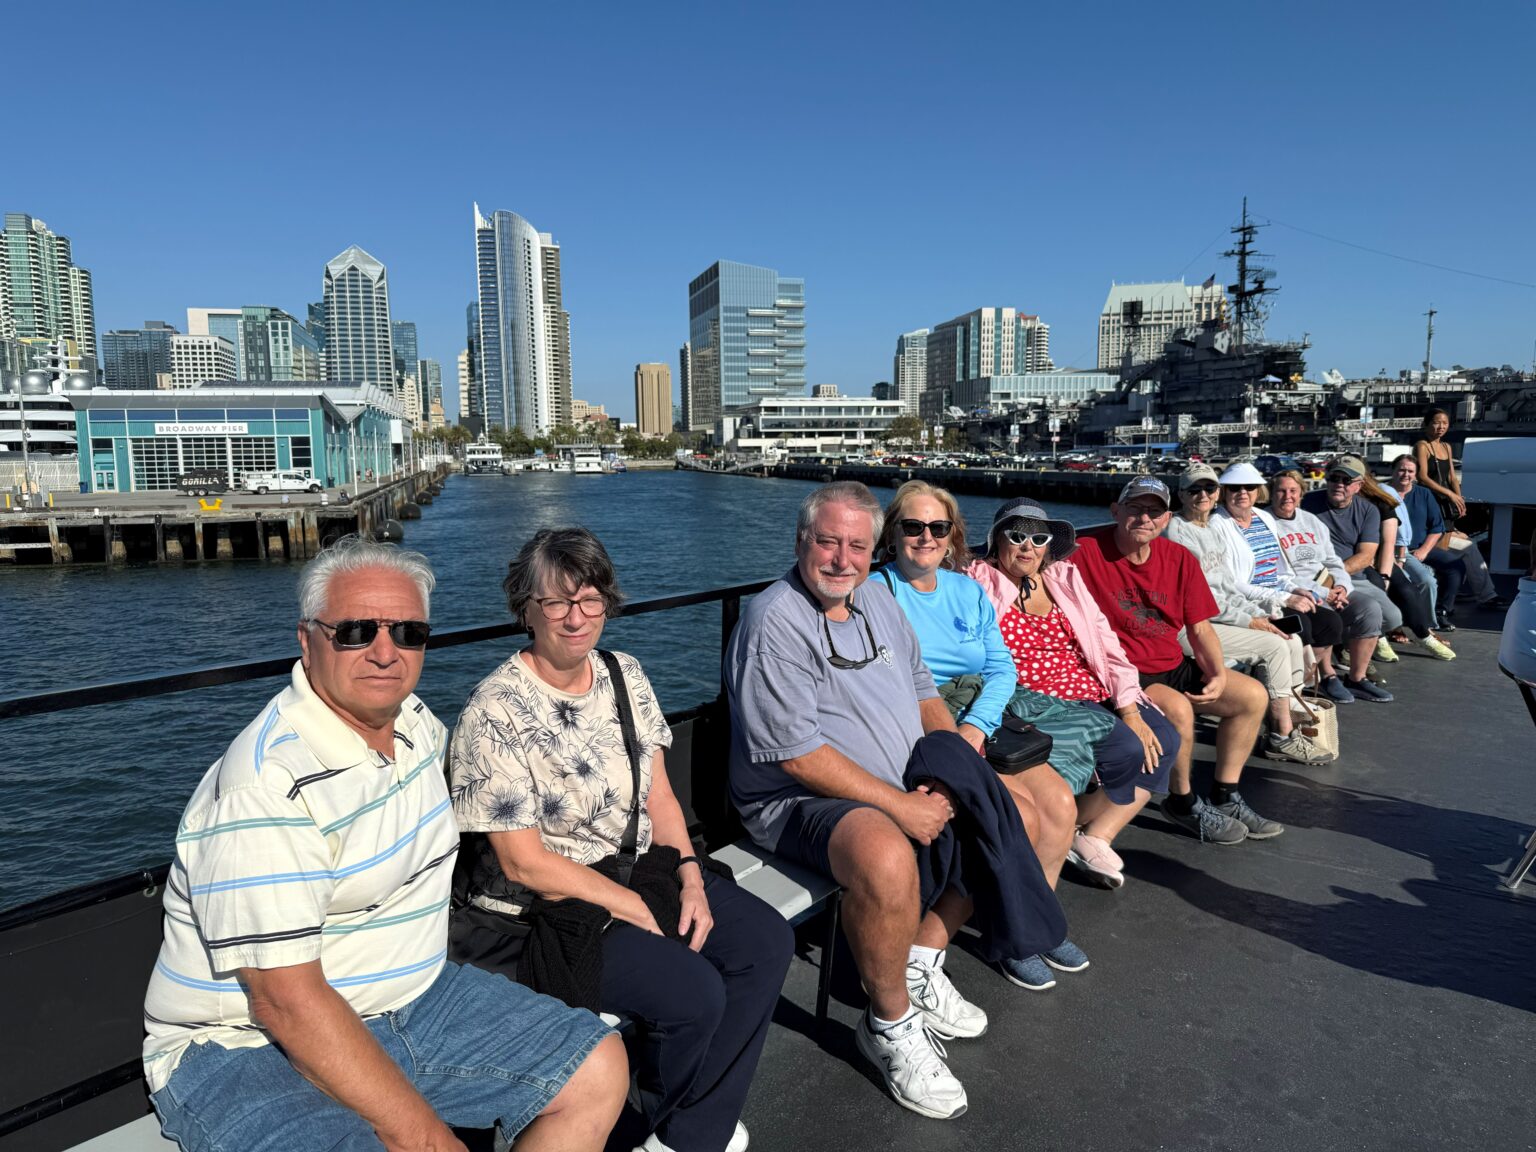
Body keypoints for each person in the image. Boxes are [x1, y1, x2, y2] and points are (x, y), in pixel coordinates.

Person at [142, 536, 627, 1152]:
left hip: (410, 1000)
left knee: (596, 1068)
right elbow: (285, 1003)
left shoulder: (415, 724)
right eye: (355, 632)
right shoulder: (266, 787)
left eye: (407, 633)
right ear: (307, 640)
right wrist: (429, 1138)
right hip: (245, 1043)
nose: (384, 652)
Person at [724, 482, 1068, 1120]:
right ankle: (888, 1023)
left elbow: (923, 691)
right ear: (801, 542)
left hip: (895, 778)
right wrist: (901, 806)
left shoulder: (877, 600)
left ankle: (921, 957)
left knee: (1010, 811)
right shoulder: (776, 620)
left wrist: (948, 769)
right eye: (827, 542)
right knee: (884, 853)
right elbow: (798, 757)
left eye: (857, 545)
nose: (842, 559)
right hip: (796, 799)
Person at [448, 528, 791, 1152]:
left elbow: (660, 797)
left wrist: (690, 875)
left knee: (764, 942)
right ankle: (678, 1124)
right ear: (525, 608)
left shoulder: (622, 673)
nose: (576, 617)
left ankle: (687, 1133)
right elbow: (522, 864)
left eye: (590, 599)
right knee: (694, 993)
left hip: (638, 871)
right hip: (551, 910)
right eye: (557, 601)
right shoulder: (493, 711)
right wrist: (628, 904)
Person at [874, 482, 1089, 979]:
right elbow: (897, 684)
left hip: (977, 720)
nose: (926, 537)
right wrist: (956, 735)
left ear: (953, 535)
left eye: (938, 527)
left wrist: (976, 725)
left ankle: (1030, 923)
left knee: (1060, 805)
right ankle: (993, 935)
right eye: (913, 526)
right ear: (892, 534)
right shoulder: (879, 592)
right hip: (925, 727)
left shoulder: (966, 590)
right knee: (1021, 813)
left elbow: (1001, 668)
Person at [962, 497, 1178, 889]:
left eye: (1038, 538)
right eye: (1017, 535)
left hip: (1090, 687)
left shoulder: (1064, 578)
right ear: (997, 540)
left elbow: (1105, 643)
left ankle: (1091, 833)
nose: (1028, 546)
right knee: (1127, 748)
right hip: (1034, 698)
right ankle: (1060, 831)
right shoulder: (979, 580)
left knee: (1163, 738)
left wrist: (1129, 707)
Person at [1070, 476, 1277, 845]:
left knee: (1251, 697)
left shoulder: (1179, 559)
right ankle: (1182, 801)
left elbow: (1200, 628)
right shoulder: (1084, 552)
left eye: (1154, 512)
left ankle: (1225, 794)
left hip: (1170, 662)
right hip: (1122, 674)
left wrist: (1216, 673)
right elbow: (1028, 563)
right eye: (1135, 508)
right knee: (1178, 710)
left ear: (1166, 519)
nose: (1144, 518)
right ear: (1116, 511)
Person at [1163, 464, 1334, 762]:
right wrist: (1251, 621)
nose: (1203, 495)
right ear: (1181, 495)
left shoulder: (1209, 529)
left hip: (1217, 617)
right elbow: (1201, 600)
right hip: (1192, 626)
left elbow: (1228, 588)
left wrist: (1260, 615)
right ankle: (1281, 736)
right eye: (1194, 490)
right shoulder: (1178, 533)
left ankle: (1286, 721)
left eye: (1209, 488)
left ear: (1217, 493)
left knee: (1291, 637)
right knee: (1274, 645)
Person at [1302, 455, 1457, 664]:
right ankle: (1357, 649)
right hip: (1323, 573)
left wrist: (1385, 575)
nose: (1339, 484)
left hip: (1374, 561)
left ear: (1360, 483)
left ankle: (1420, 633)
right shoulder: (1307, 503)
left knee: (1405, 598)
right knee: (1337, 612)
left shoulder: (1376, 504)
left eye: (1346, 480)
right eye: (1334, 478)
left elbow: (1378, 548)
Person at [1269, 470, 1391, 704]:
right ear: (1271, 493)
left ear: (1301, 493)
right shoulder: (1266, 522)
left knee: (1370, 609)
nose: (1287, 496)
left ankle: (1357, 678)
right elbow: (1279, 574)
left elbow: (1332, 560)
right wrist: (1325, 593)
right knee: (1325, 614)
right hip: (1296, 590)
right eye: (1281, 491)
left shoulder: (1311, 521)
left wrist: (1342, 586)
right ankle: (1327, 675)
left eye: (1293, 491)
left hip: (1329, 584)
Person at [1388, 454, 1466, 632]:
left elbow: (1437, 527)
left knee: (1455, 566)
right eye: (1401, 470)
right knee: (1420, 580)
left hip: (1421, 547)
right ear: (1393, 471)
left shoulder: (1424, 494)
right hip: (1392, 551)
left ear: (1416, 474)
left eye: (1410, 471)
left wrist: (1424, 550)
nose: (1406, 474)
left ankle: (1442, 610)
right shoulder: (1382, 493)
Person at [1413, 408, 1464, 526]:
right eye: (1437, 423)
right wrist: (1450, 494)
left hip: (1444, 501)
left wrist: (1459, 500)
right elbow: (1422, 477)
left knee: (1447, 533)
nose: (1441, 427)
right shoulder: (1422, 446)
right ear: (1426, 424)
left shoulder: (1446, 447)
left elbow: (1452, 478)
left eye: (1445, 423)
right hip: (1428, 499)